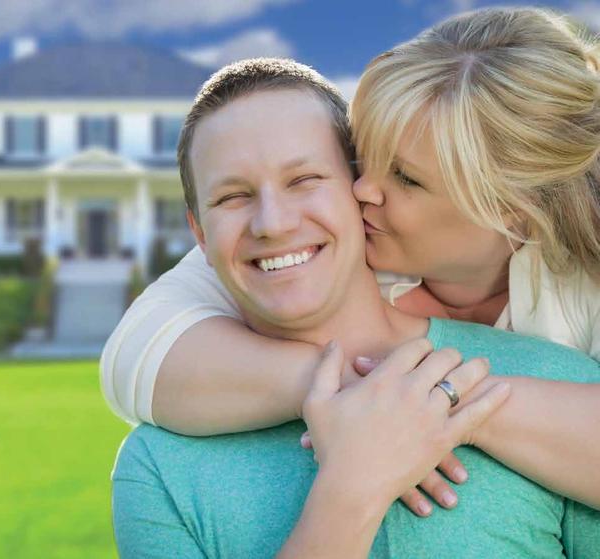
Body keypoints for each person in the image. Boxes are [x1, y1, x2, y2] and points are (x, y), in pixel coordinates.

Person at [102, 6, 600, 515]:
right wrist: (350, 388)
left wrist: (436, 403)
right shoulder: (338, 242)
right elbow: (136, 358)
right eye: (366, 158)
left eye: (405, 178)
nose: (362, 189)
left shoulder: (585, 285)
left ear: (511, 214)